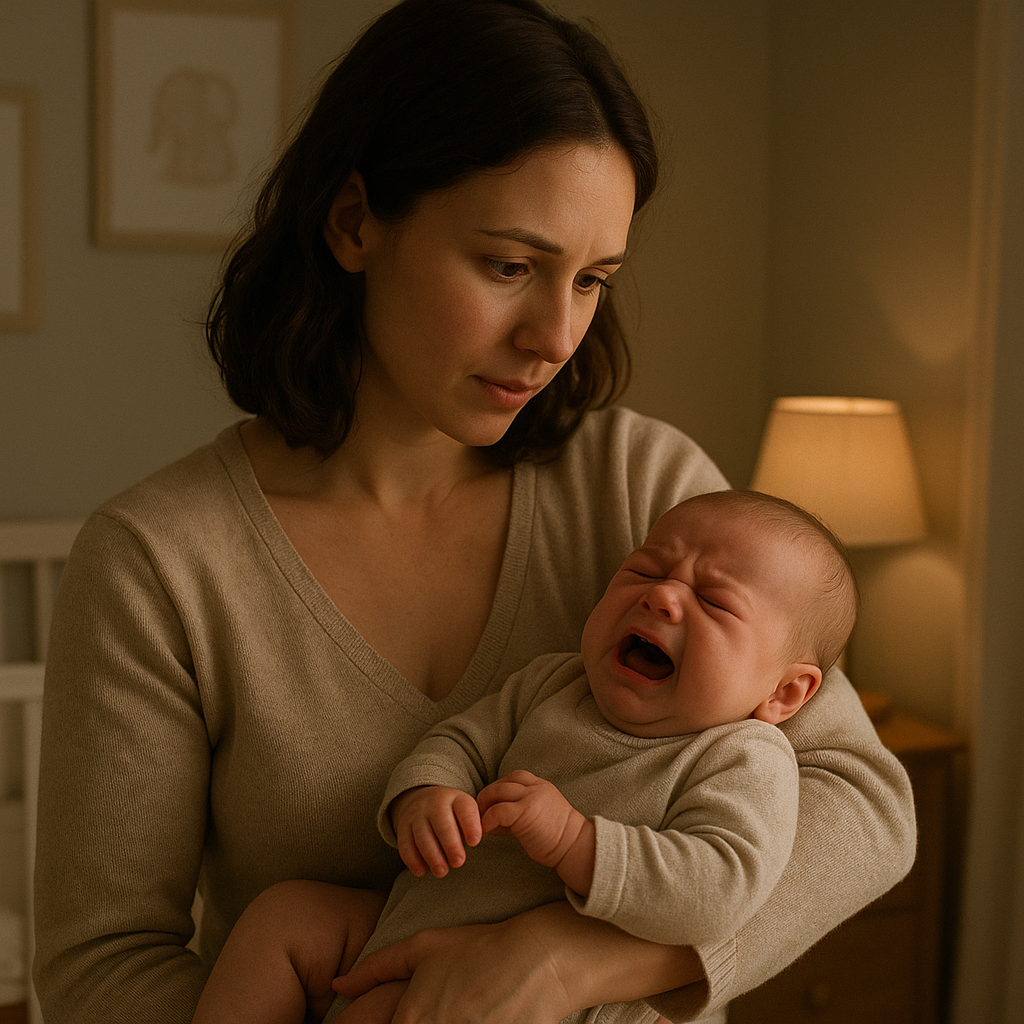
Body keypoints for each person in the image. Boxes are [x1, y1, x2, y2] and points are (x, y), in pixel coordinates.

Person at [33, 2, 916, 1023]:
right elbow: (101, 964)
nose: (555, 336)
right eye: (509, 266)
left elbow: (863, 807)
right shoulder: (159, 563)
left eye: (590, 280)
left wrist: (562, 960)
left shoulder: (650, 492)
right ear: (355, 220)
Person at [191, 488, 857, 1024]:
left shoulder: (744, 758)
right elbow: (461, 741)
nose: (662, 596)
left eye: (713, 601)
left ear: (786, 691)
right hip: (404, 920)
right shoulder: (555, 683)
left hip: (549, 1001)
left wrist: (579, 842)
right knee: (286, 917)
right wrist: (427, 794)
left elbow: (720, 887)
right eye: (645, 570)